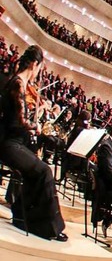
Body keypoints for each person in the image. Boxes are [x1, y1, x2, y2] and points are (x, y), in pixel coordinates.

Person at [0, 45, 67, 241]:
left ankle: (22, 216)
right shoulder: (19, 83)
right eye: (39, 68)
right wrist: (35, 126)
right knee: (44, 170)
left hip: (15, 141)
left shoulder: (19, 83)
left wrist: (37, 114)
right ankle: (51, 227)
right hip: (9, 143)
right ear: (35, 64)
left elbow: (20, 116)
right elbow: (20, 121)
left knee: (34, 172)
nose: (39, 72)